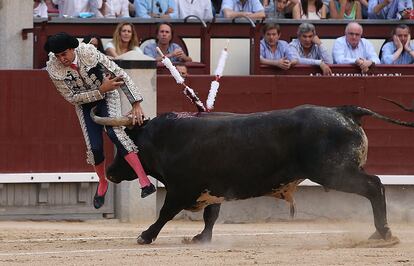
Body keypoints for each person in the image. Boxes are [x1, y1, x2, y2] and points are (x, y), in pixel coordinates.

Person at [44, 32, 156, 209]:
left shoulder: (89, 53)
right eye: (57, 56)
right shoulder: (53, 67)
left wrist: (136, 103)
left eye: (64, 54)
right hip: (84, 103)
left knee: (115, 133)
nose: (61, 59)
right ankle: (102, 182)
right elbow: (72, 98)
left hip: (108, 95)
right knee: (94, 148)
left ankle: (144, 181)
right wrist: (100, 90)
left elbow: (119, 73)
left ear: (72, 49)